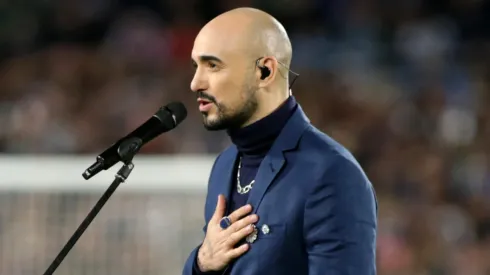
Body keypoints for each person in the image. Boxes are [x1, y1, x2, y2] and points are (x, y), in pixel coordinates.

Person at [182, 7, 377, 275]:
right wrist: (201, 264)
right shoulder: (224, 165)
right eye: (196, 66)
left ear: (264, 71)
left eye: (212, 65)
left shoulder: (331, 173)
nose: (195, 83)